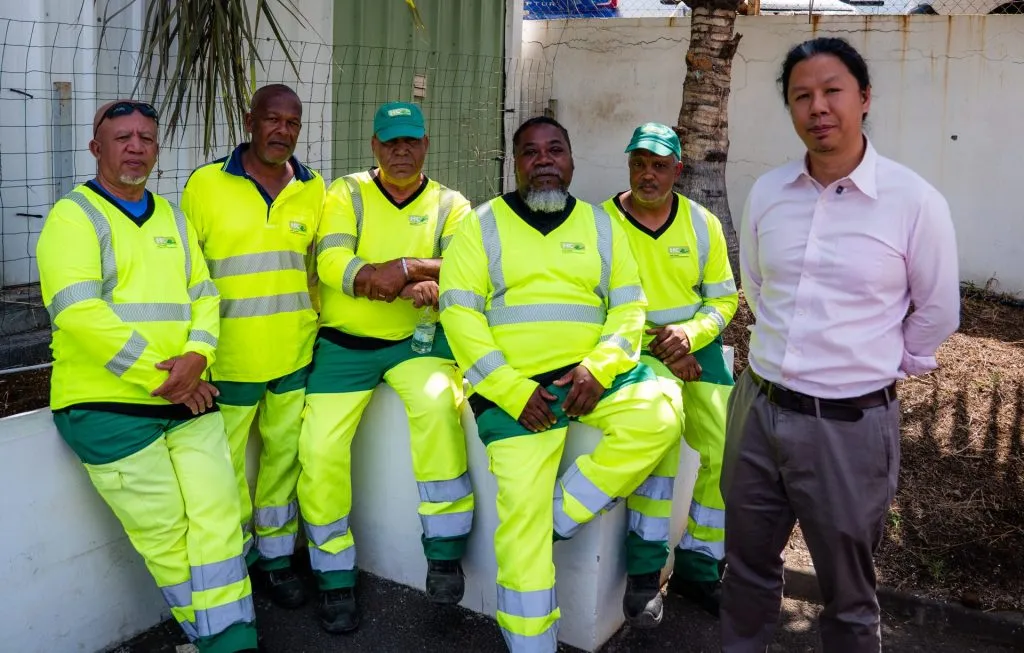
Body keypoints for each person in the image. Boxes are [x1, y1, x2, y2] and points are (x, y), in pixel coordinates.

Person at [723, 37, 960, 652]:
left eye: (833, 91)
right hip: (757, 409)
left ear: (865, 98)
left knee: (849, 594)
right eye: (801, 95)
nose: (818, 107)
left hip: (849, 425)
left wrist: (873, 364)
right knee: (745, 565)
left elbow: (938, 310)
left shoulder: (914, 202)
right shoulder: (769, 192)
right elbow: (757, 285)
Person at [438, 115, 681, 652]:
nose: (543, 160)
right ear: (515, 163)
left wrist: (600, 367)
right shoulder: (480, 225)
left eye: (555, 150)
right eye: (531, 151)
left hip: (590, 379)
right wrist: (510, 390)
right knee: (521, 529)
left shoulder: (601, 225)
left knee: (661, 416)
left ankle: (560, 514)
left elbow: (629, 308)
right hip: (516, 394)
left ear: (571, 161)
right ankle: (531, 643)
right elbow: (459, 315)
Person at [36, 100, 257, 652]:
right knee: (168, 536)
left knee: (220, 516)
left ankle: (233, 637)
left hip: (189, 396)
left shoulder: (173, 219)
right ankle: (222, 642)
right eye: (122, 138)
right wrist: (167, 377)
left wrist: (198, 356)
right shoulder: (73, 216)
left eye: (147, 138)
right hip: (108, 408)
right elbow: (78, 312)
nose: (136, 147)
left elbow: (205, 295)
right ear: (96, 148)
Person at [299, 101, 475, 633]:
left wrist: (414, 272)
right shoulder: (347, 192)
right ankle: (334, 576)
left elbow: (464, 265)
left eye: (411, 142)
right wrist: (390, 280)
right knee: (319, 447)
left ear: (426, 145)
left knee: (439, 408)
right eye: (391, 142)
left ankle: (444, 552)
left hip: (417, 341)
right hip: (344, 346)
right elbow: (332, 261)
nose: (402, 152)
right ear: (374, 146)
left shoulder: (451, 203)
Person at [181, 84, 325, 610]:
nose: (282, 131)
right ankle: (236, 561)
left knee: (284, 460)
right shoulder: (205, 184)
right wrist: (194, 352)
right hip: (229, 359)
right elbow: (187, 276)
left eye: (293, 123)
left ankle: (278, 559)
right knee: (228, 468)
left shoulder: (313, 188)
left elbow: (315, 271)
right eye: (272, 119)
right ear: (250, 121)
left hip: (294, 355)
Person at [601, 121, 738, 624]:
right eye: (639, 163)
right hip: (631, 350)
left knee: (728, 448)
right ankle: (643, 575)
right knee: (660, 446)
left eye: (659, 165)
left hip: (695, 348)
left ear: (678, 170)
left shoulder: (703, 224)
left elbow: (724, 300)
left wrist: (689, 336)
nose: (648, 174)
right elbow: (590, 304)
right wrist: (660, 346)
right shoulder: (600, 222)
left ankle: (700, 567)